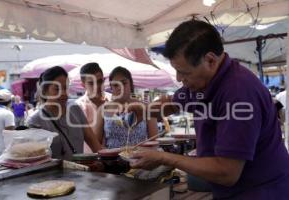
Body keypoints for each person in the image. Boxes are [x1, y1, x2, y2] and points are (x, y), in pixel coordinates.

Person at [129, 20, 289, 199]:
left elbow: (227, 173)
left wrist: (164, 158)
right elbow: (172, 103)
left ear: (210, 60)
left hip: (261, 192)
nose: (179, 78)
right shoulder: (204, 84)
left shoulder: (239, 93)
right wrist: (144, 110)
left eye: (184, 72)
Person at [27, 66, 102, 160]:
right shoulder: (35, 121)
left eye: (65, 88)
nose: (63, 93)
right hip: (53, 174)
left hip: (80, 171)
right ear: (45, 91)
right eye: (57, 89)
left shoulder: (74, 109)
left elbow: (93, 142)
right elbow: (35, 158)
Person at [95, 67, 158, 148]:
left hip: (141, 159)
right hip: (111, 159)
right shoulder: (103, 109)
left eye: (124, 83)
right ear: (111, 87)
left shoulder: (145, 108)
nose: (120, 87)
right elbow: (96, 142)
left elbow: (154, 141)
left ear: (130, 84)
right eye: (115, 85)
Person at [75, 63, 107, 152]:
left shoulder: (113, 102)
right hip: (89, 160)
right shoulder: (77, 108)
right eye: (91, 83)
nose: (96, 86)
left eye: (99, 81)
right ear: (83, 85)